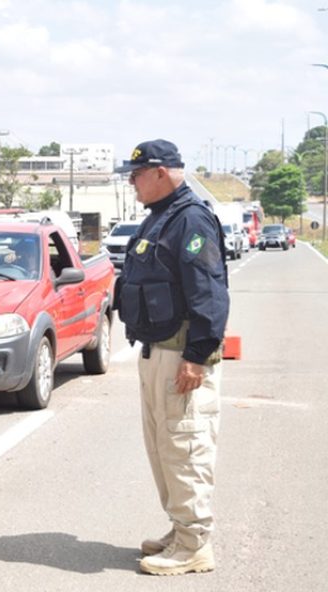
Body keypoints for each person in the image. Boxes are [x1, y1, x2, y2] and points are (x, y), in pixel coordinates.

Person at [114, 139, 229, 576]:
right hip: (156, 351)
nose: (132, 181)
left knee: (186, 445)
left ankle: (194, 542)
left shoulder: (191, 220)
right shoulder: (160, 219)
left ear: (162, 173)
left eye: (137, 174)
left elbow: (209, 292)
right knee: (164, 448)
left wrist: (197, 356)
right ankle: (180, 528)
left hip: (181, 354)